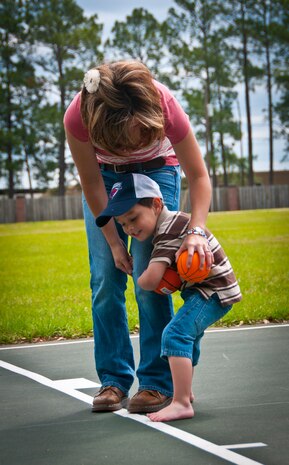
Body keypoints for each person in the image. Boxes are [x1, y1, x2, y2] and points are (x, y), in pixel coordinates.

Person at [64, 60, 213, 413]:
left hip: (158, 171)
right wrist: (115, 244)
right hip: (105, 178)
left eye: (139, 135)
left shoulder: (165, 104)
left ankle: (157, 382)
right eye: (125, 141)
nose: (131, 148)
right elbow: (90, 183)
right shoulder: (78, 116)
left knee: (151, 274)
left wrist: (195, 232)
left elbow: (200, 177)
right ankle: (114, 379)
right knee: (105, 278)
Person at [95, 173, 242, 422]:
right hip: (209, 290)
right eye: (123, 224)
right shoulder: (169, 224)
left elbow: (150, 280)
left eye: (133, 218)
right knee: (189, 337)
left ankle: (181, 402)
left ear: (156, 204)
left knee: (175, 334)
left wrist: (135, 271)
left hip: (213, 292)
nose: (129, 229)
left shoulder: (169, 230)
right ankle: (187, 392)